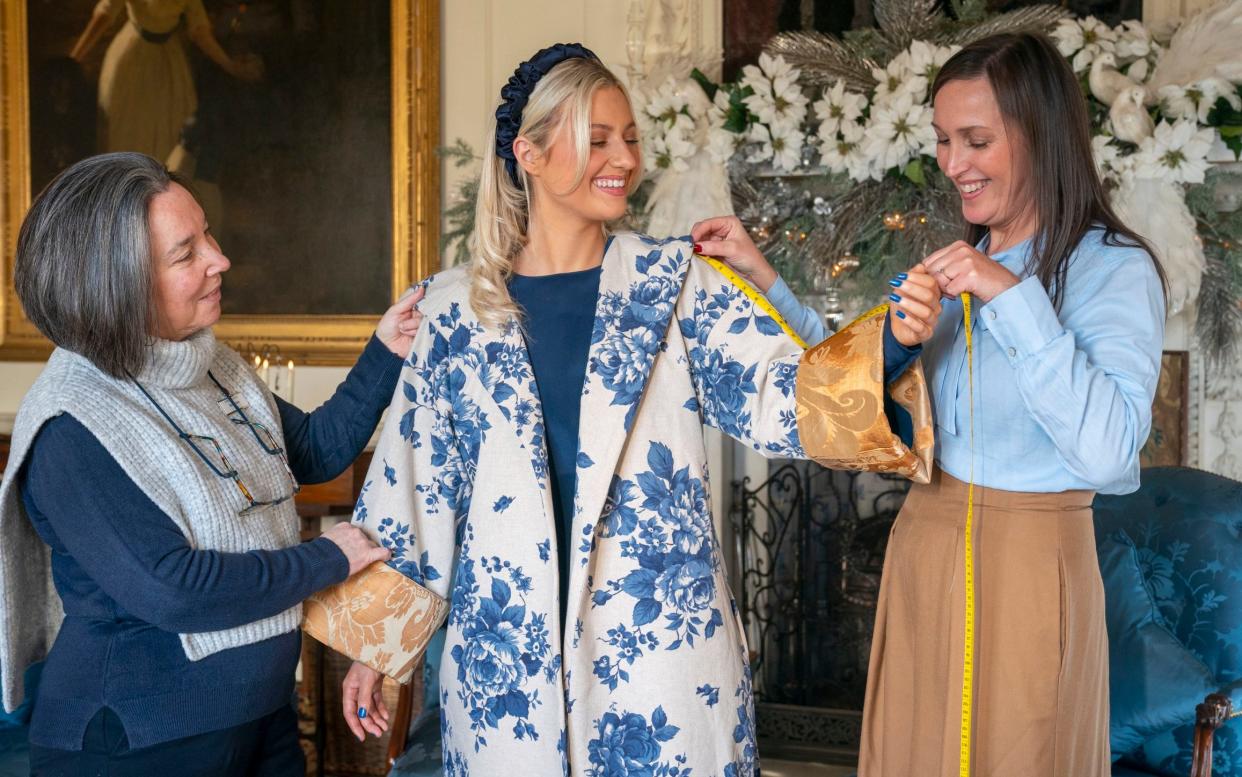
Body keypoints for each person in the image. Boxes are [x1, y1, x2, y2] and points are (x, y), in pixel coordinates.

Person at [337, 43, 943, 774]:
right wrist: (373, 649)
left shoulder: (676, 284)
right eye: (597, 139)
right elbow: (414, 481)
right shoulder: (452, 312)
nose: (623, 156)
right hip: (506, 664)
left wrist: (893, 347)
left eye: (628, 137)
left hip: (660, 658)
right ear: (528, 153)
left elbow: (784, 393)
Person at [711, 32, 1167, 777]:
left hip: (1033, 571)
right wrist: (762, 273)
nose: (952, 164)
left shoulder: (1112, 270)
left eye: (975, 140)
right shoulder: (951, 267)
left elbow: (1111, 452)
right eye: (943, 140)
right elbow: (849, 390)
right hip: (923, 553)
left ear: (1041, 137)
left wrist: (1012, 296)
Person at [0, 151, 423, 776]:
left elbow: (311, 451)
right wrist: (329, 558)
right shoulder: (71, 425)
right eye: (185, 253)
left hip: (257, 717)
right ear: (117, 286)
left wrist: (388, 348)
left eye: (208, 235)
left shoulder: (209, 364)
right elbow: (173, 589)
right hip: (138, 743)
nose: (219, 259)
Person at [70, 0, 263, 163]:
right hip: (132, 57)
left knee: (168, 137)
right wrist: (72, 59)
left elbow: (199, 30)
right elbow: (105, 15)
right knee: (128, 132)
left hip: (168, 61)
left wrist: (228, 65)